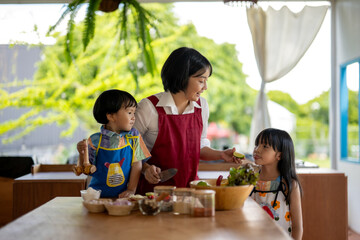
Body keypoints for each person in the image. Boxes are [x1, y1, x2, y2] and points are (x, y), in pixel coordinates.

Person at [135, 47, 241, 195]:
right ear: (182, 76)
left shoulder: (201, 106)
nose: (205, 87)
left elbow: (199, 147)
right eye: (201, 81)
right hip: (153, 196)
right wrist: (146, 169)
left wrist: (221, 155)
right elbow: (128, 149)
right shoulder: (148, 107)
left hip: (191, 192)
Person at [77, 89, 151, 198]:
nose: (133, 117)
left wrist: (131, 189)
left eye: (134, 113)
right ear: (111, 116)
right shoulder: (94, 140)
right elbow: (87, 170)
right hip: (96, 197)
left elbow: (137, 165)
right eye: (129, 112)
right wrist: (82, 153)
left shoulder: (134, 136)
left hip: (123, 197)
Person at [250, 128, 303, 240]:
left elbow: (297, 226)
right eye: (256, 144)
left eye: (265, 146)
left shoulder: (289, 184)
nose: (257, 150)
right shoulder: (249, 178)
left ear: (279, 155)